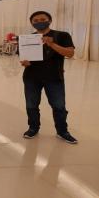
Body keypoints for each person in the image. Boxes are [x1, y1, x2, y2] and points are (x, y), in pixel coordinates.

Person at [20, 11, 77, 144]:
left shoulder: (62, 35)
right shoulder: (28, 38)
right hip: (31, 77)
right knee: (31, 105)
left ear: (50, 20)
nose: (39, 22)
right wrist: (25, 62)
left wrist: (51, 44)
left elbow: (70, 53)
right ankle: (33, 128)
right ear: (31, 23)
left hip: (54, 77)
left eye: (43, 19)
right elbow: (24, 58)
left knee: (59, 106)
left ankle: (62, 131)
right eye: (36, 20)